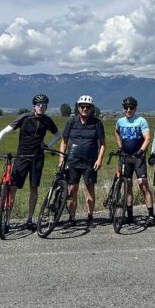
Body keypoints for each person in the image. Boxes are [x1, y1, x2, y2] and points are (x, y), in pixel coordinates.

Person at [0, 94, 61, 231]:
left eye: (44, 105)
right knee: (13, 188)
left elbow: (58, 135)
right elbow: (5, 131)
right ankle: (6, 220)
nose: (41, 107)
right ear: (34, 106)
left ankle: (30, 220)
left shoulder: (47, 121)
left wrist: (47, 146)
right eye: (39, 105)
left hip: (37, 158)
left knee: (34, 189)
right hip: (22, 157)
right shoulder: (25, 118)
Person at [58, 95, 106, 228]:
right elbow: (64, 141)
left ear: (91, 109)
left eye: (88, 107)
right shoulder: (72, 122)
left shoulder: (97, 123)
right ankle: (72, 218)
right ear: (78, 108)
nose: (85, 109)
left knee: (89, 189)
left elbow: (102, 144)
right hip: (73, 161)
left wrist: (99, 159)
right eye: (82, 106)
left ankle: (90, 217)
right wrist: (61, 158)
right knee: (72, 189)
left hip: (90, 162)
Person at [115, 96, 155, 226]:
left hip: (138, 157)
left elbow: (147, 138)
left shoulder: (141, 121)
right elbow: (116, 132)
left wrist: (141, 151)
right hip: (125, 157)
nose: (128, 110)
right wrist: (120, 147)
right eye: (126, 108)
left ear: (135, 108)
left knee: (143, 184)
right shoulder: (120, 121)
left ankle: (150, 215)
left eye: (131, 108)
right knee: (127, 185)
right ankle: (130, 215)